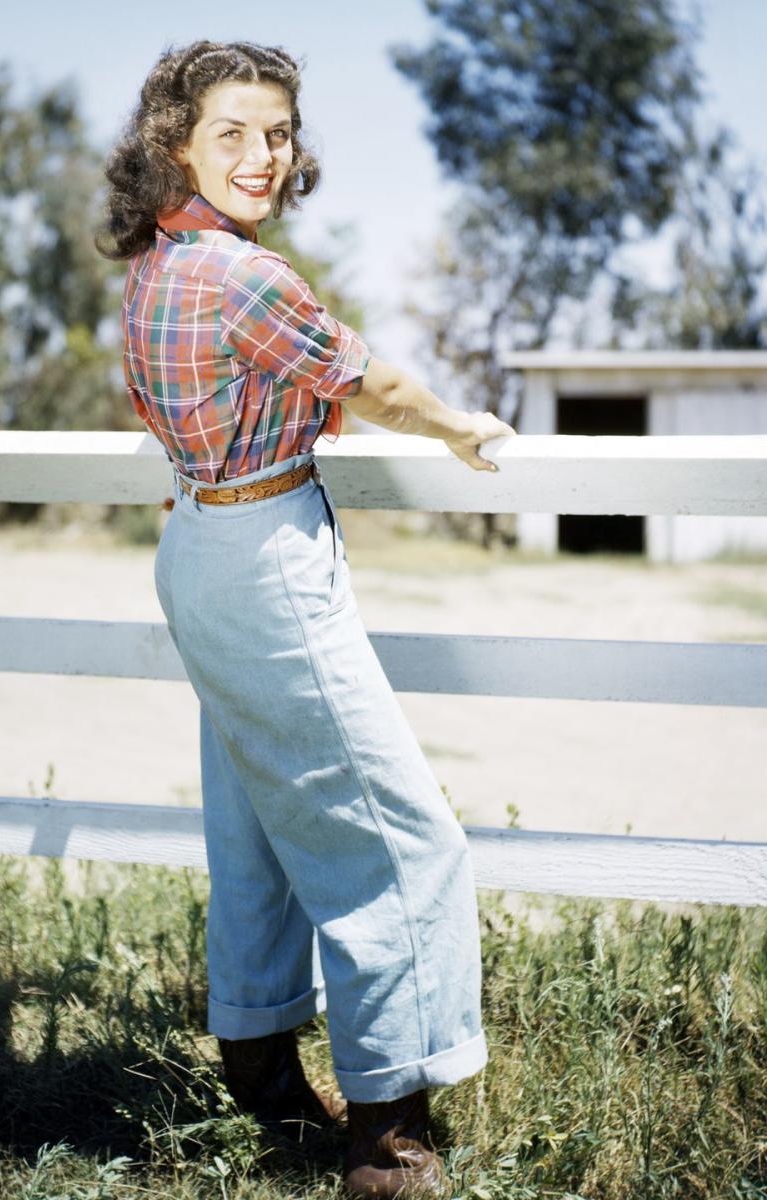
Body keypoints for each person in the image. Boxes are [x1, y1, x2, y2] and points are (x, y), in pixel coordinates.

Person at [96, 38, 515, 1200]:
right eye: (231, 131)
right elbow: (366, 381)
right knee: (399, 839)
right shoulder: (247, 279)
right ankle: (390, 1133)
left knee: (259, 818)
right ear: (176, 143)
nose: (262, 154)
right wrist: (462, 427)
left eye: (277, 132)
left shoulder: (158, 265)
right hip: (266, 557)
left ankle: (261, 1066)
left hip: (196, 543)